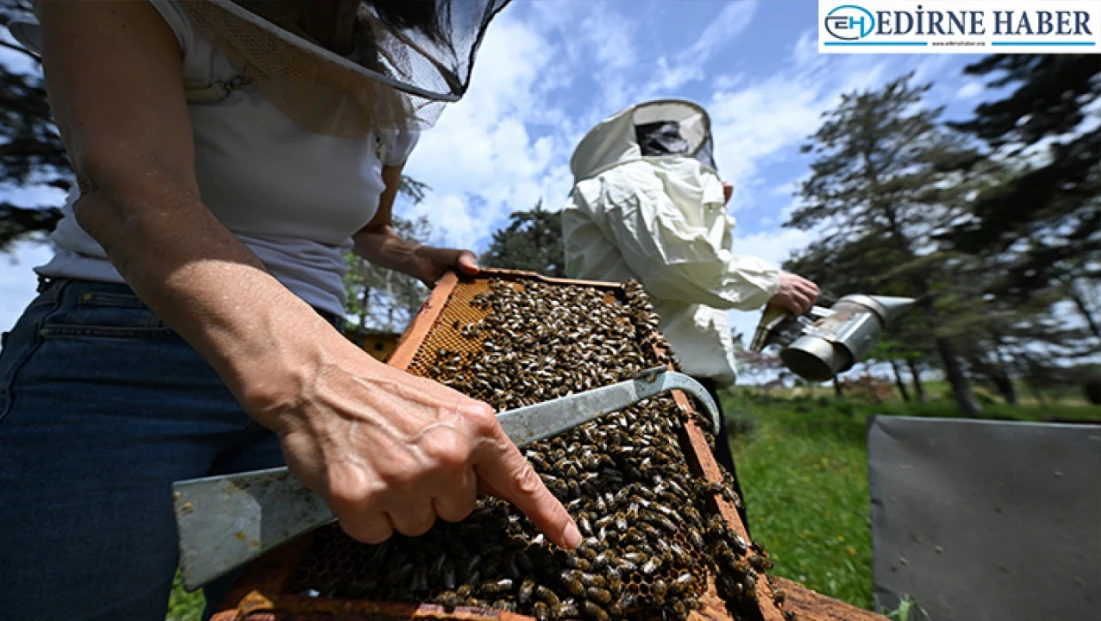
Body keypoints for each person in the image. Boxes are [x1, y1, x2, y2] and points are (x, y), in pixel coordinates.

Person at [0, 2, 578, 619]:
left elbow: (371, 229)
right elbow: (127, 187)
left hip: (321, 354)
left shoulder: (386, 94)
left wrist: (417, 257)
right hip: (120, 346)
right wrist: (316, 381)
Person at [561, 99, 820, 528]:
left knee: (714, 527)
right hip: (639, 385)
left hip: (676, 386)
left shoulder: (637, 187)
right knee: (653, 523)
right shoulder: (623, 181)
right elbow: (674, 264)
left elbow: (695, 260)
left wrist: (713, 208)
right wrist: (771, 282)